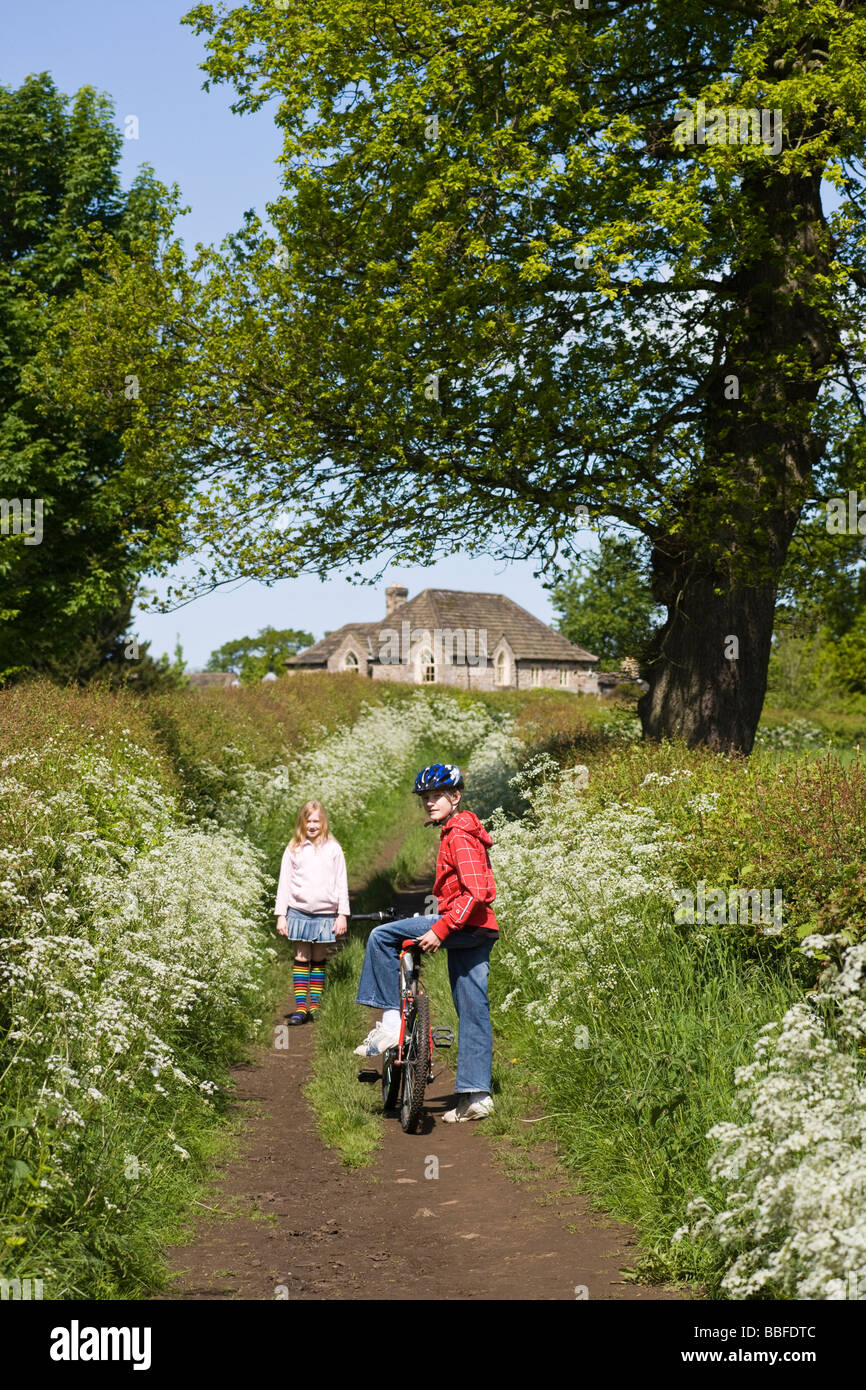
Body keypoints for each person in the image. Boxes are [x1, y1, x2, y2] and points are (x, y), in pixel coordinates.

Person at [354, 764, 498, 1122]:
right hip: (479, 930)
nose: (430, 803)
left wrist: (442, 928)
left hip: (464, 924)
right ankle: (475, 1096)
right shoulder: (460, 829)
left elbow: (477, 891)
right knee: (473, 1011)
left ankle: (390, 1022)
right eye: (425, 798)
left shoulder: (460, 833)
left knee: (382, 936)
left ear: (456, 797)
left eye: (436, 796)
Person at [275, 800, 348, 1024]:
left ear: (323, 822)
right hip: (298, 912)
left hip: (326, 913)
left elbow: (341, 881)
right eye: (308, 821)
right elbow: (284, 882)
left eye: (316, 821)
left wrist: (342, 914)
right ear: (302, 823)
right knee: (301, 957)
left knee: (318, 957)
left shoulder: (333, 849)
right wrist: (281, 915)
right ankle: (300, 1008)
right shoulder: (294, 848)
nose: (312, 825)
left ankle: (315, 1005)